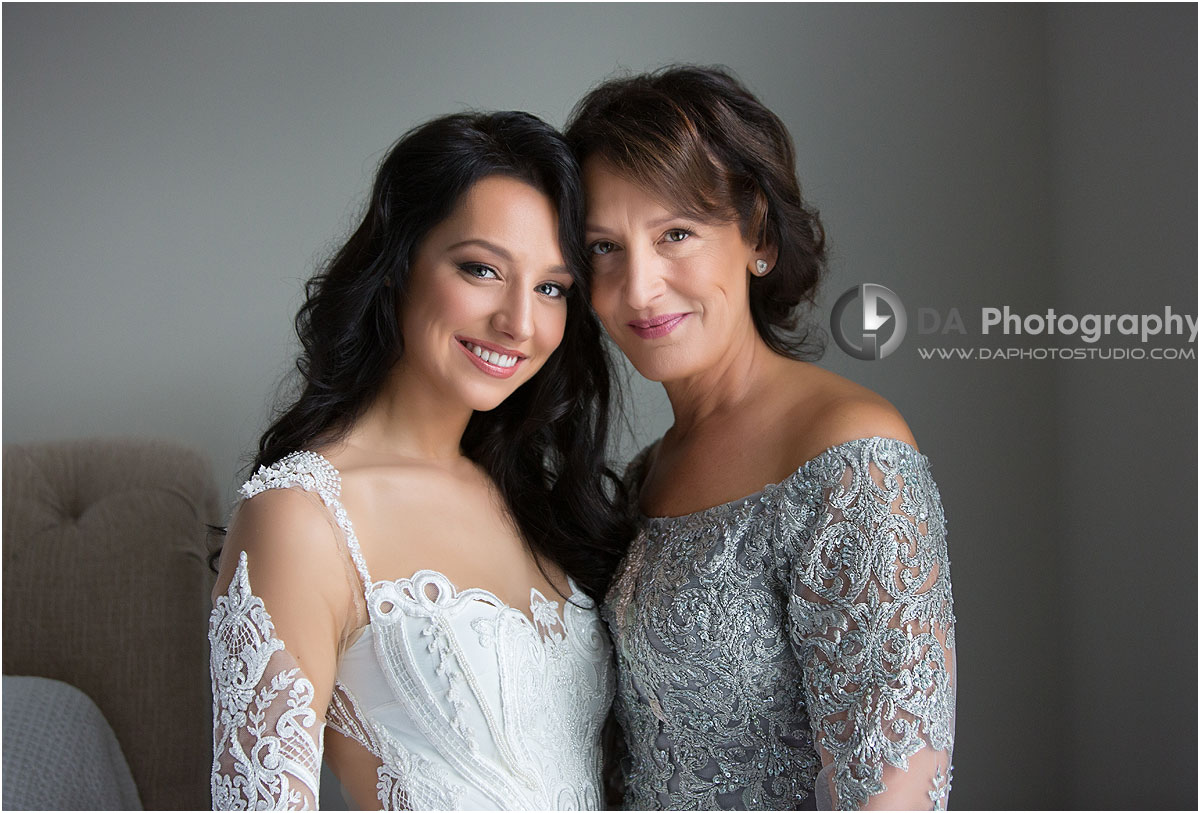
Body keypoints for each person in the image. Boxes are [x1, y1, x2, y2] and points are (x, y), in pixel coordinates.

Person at [208, 111, 631, 810]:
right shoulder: (301, 515)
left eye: (552, 287)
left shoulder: (535, 498)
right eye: (481, 269)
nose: (520, 322)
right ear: (398, 265)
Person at [566, 67, 957, 810]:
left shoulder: (851, 454)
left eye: (675, 233)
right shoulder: (652, 470)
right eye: (604, 248)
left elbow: (894, 790)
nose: (639, 287)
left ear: (759, 236)